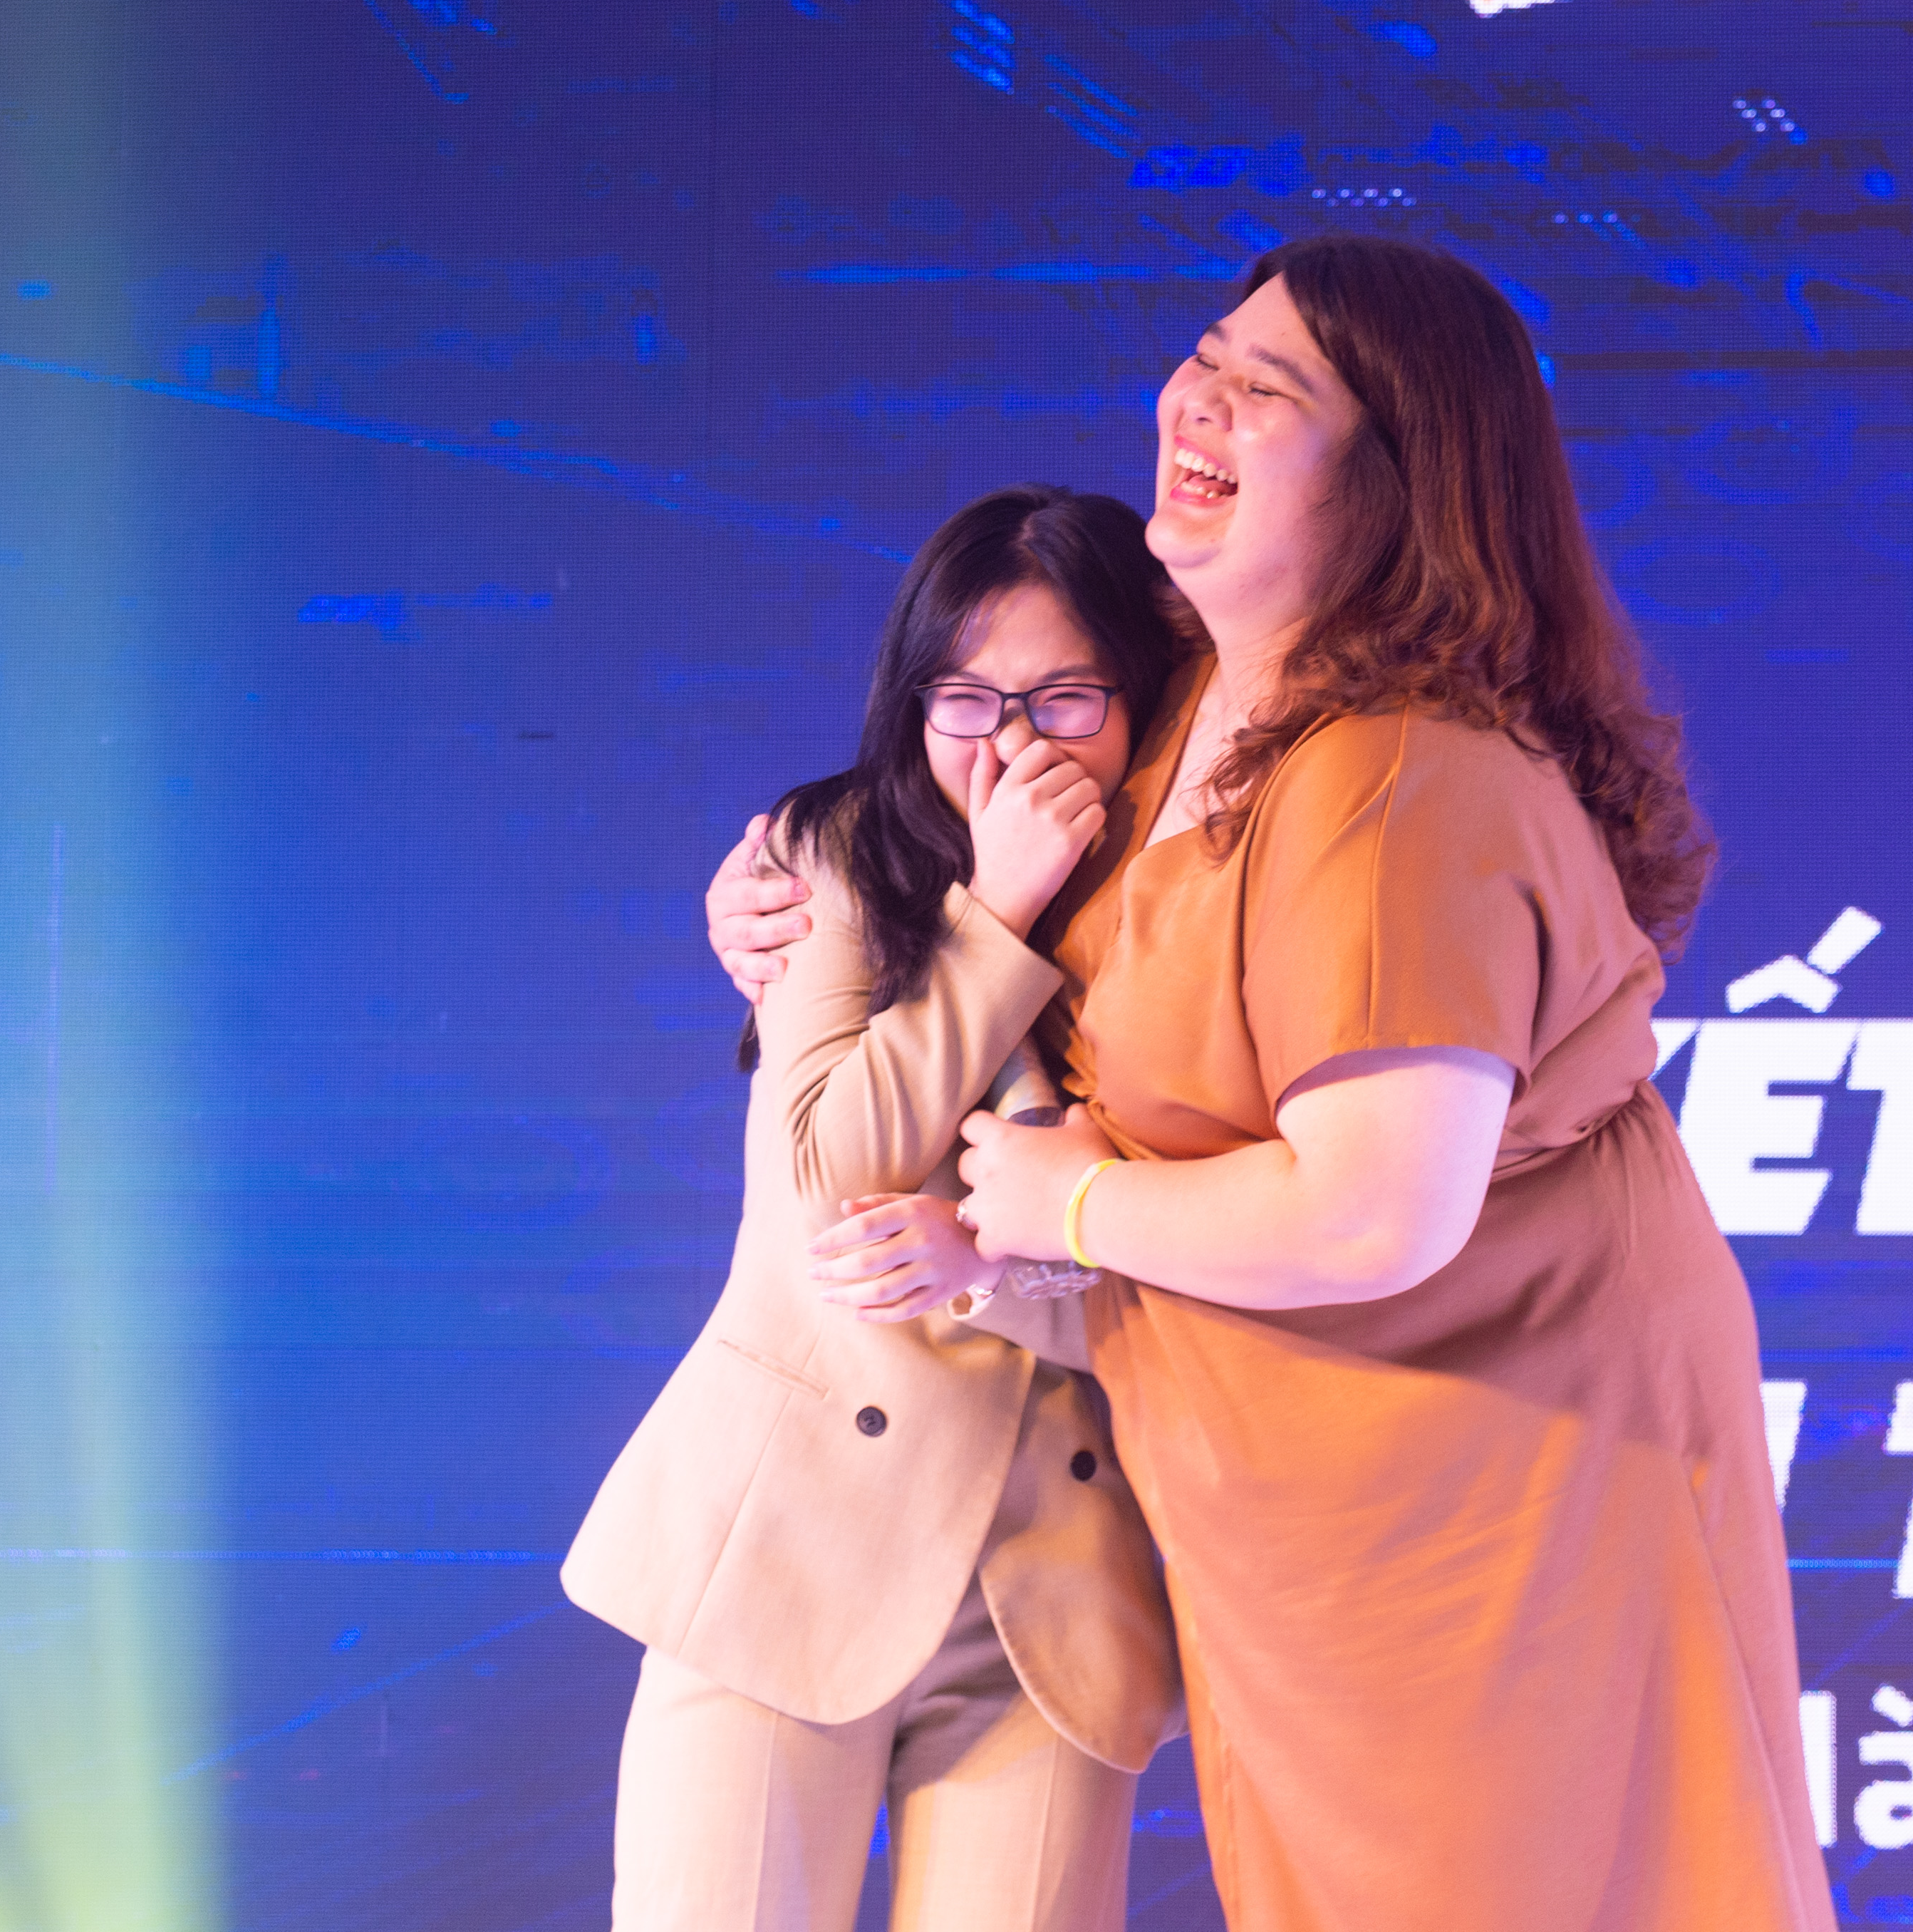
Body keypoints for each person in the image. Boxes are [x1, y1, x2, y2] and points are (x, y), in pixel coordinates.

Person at [735, 239, 1831, 1931]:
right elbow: (958, 820)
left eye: (1274, 389)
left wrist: (1064, 1202)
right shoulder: (1198, 699)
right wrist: (778, 890)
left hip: (1503, 1491)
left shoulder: (1395, 779)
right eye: (1208, 354)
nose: (1201, 400)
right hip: (1303, 1502)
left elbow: (1374, 1205)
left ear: (1396, 481)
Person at [565, 484, 1188, 1932]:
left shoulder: (1199, 902)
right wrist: (996, 911)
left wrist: (991, 1265)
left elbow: (1214, 1271)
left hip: (1052, 1589)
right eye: (963, 699)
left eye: (1064, 697)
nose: (1010, 743)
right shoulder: (837, 854)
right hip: (786, 1542)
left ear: (1144, 694)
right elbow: (830, 1179)